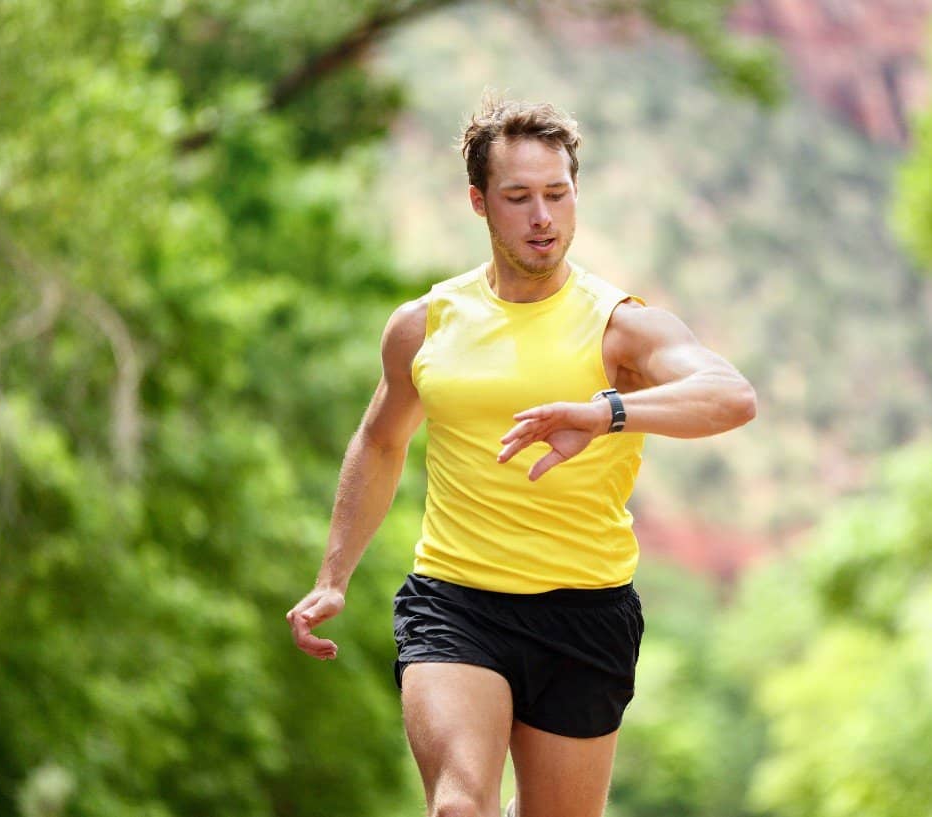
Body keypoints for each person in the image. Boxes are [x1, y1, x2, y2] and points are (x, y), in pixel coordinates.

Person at [285, 95, 756, 817]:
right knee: (457, 807)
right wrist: (333, 574)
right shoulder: (425, 325)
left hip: (585, 609)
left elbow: (731, 396)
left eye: (557, 194)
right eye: (518, 197)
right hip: (456, 597)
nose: (542, 216)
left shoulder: (620, 326)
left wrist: (606, 413)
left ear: (575, 195)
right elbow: (380, 440)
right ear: (479, 202)